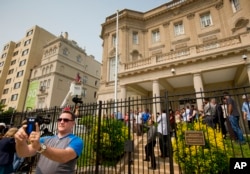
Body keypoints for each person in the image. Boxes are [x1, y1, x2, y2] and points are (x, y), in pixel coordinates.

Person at [14, 110, 84, 174]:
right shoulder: (45, 139)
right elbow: (23, 153)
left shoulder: (76, 140)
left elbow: (64, 157)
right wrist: (20, 141)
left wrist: (40, 147)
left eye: (66, 120)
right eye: (59, 119)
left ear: (73, 123)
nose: (62, 122)